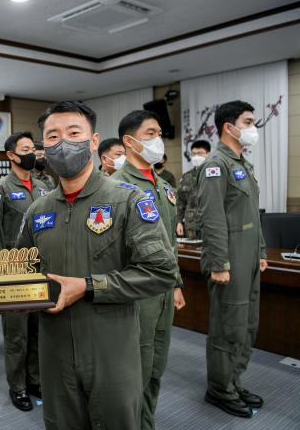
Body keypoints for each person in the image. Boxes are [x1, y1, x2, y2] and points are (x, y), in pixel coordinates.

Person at [17, 101, 178, 430]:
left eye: (74, 133)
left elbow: (161, 271)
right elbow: (22, 271)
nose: (63, 142)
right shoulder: (38, 210)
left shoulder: (128, 200)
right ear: (44, 147)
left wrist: (88, 286)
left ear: (93, 141)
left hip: (112, 352)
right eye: (53, 136)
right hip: (55, 351)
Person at [112, 109, 186, 430]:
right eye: (150, 134)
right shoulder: (115, 186)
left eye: (159, 134)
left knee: (157, 365)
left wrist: (177, 283)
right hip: (136, 293)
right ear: (129, 142)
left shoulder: (164, 185)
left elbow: (170, 242)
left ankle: (147, 423)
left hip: (163, 293)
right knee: (135, 370)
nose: (159, 140)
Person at [197, 100, 268, 418]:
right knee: (228, 327)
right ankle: (219, 389)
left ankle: (234, 381)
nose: (254, 128)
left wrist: (262, 252)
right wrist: (219, 264)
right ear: (229, 127)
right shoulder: (216, 165)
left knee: (246, 326)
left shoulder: (243, 165)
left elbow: (252, 214)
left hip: (249, 258)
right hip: (229, 261)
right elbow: (212, 219)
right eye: (249, 121)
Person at [0, 131, 49, 412]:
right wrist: (0, 275)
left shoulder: (43, 185)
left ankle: (34, 380)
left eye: (32, 148)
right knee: (16, 335)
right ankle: (18, 386)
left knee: (38, 330)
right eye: (25, 148)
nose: (31, 152)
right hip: (13, 269)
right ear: (11, 155)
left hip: (42, 268)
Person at [177, 140, 211, 239]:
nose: (196, 156)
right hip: (191, 226)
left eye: (199, 153)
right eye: (193, 154)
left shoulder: (215, 174)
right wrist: (178, 222)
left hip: (210, 226)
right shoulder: (186, 177)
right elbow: (180, 202)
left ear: (208, 154)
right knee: (191, 253)